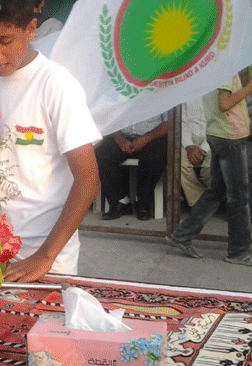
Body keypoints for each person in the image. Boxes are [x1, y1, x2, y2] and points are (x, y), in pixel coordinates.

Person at [0, 0, 101, 282]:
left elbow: (88, 180)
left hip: (43, 258)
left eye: (5, 41)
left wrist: (45, 256)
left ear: (31, 29)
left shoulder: (56, 84)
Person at [166, 73, 252, 266]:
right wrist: (249, 87)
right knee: (239, 198)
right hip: (230, 137)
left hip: (219, 134)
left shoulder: (218, 67)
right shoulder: (228, 69)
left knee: (216, 192)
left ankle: (182, 235)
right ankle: (238, 252)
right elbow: (224, 104)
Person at [95, 114, 168, 220]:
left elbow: (169, 123)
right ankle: (121, 200)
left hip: (151, 137)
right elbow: (109, 119)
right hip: (122, 138)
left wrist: (146, 138)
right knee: (100, 157)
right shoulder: (116, 100)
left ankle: (143, 201)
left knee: (156, 158)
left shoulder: (160, 101)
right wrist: (120, 139)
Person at [181, 97, 211, 207]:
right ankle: (200, 202)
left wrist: (204, 148)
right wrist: (189, 146)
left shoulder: (218, 90)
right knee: (178, 161)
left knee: (212, 167)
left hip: (213, 137)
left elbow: (219, 122)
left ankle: (214, 197)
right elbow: (180, 121)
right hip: (187, 138)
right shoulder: (184, 90)